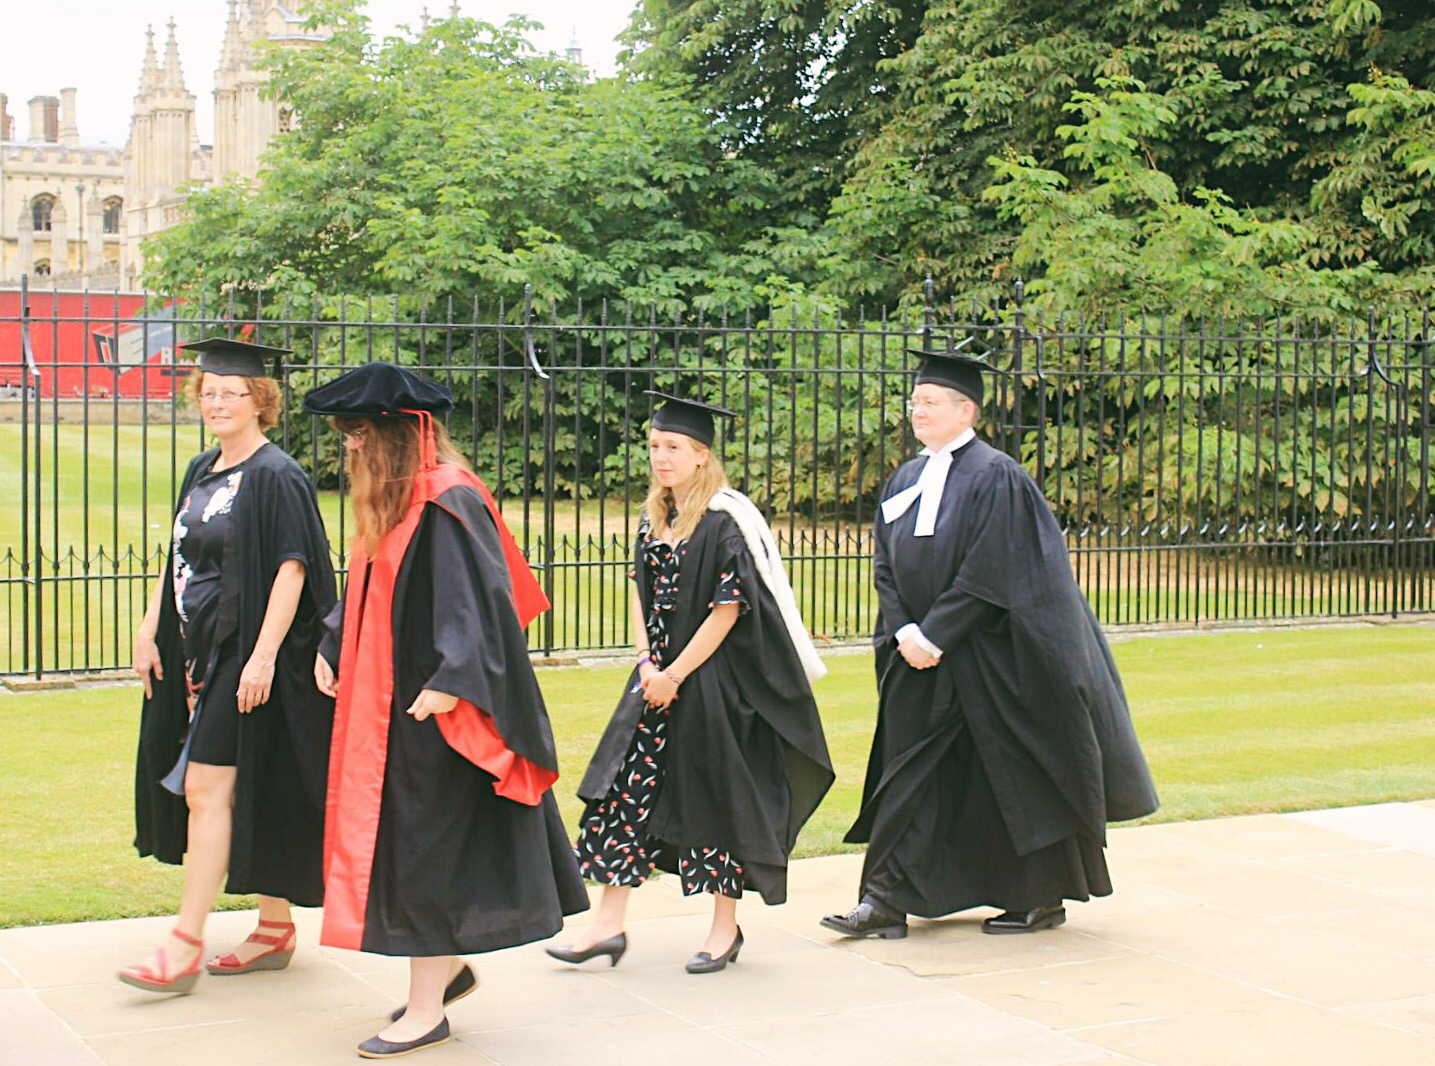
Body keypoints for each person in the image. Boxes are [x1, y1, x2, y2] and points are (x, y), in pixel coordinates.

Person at [822, 339, 1159, 941]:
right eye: (915, 401)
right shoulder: (905, 478)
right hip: (915, 657)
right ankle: (884, 900)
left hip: (989, 660)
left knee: (1011, 773)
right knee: (907, 774)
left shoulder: (998, 477)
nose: (917, 412)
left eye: (930, 402)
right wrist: (903, 630)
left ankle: (1038, 897)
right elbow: (885, 565)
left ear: (966, 411)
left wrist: (938, 634)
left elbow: (993, 570)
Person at [304, 362, 589, 1060]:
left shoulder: (448, 501)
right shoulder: (399, 501)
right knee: (408, 855)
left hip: (435, 717)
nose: (349, 447)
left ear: (398, 435)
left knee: (423, 860)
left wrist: (454, 681)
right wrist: (334, 642)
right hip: (391, 709)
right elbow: (371, 579)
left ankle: (426, 1010)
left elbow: (480, 604)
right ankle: (447, 974)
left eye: (358, 434)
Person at [546, 392, 834, 975]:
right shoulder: (656, 519)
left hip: (709, 687)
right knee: (625, 793)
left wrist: (675, 673)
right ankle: (606, 924)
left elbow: (728, 610)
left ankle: (724, 929)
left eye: (673, 447)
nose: (660, 457)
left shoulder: (724, 523)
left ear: (702, 455)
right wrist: (647, 663)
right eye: (654, 446)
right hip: (654, 684)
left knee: (716, 801)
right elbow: (637, 594)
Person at [124, 338, 337, 994]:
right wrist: (151, 625)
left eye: (230, 393)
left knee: (206, 788)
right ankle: (273, 928)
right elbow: (181, 555)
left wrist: (265, 656)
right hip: (198, 653)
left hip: (247, 657)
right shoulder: (202, 468)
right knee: (253, 784)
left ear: (260, 402)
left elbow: (293, 566)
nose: (216, 402)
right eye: (207, 392)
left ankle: (183, 945)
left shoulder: (277, 475)